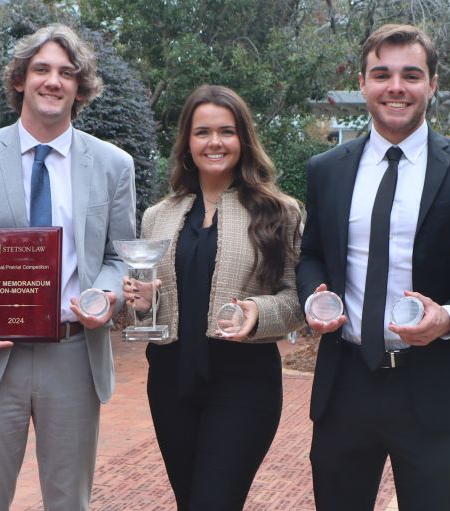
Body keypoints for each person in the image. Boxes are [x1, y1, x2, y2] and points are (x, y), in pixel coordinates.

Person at [296, 24, 450, 511]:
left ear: (433, 84)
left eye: (410, 75)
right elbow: (311, 253)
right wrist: (312, 296)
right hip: (345, 386)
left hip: (431, 390)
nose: (395, 86)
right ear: (362, 83)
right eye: (382, 74)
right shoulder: (327, 169)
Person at [0, 24, 136, 510]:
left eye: (67, 73)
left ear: (80, 87)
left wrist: (109, 296)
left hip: (72, 356)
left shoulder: (112, 164)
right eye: (41, 69)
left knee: (69, 502)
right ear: (20, 79)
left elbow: (120, 257)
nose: (54, 81)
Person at [125, 85, 304, 510]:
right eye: (202, 132)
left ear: (244, 139)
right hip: (169, 382)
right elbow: (148, 308)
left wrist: (257, 312)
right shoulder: (158, 216)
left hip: (244, 382)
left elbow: (297, 301)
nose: (215, 142)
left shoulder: (279, 211)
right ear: (187, 142)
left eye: (227, 131)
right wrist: (144, 303)